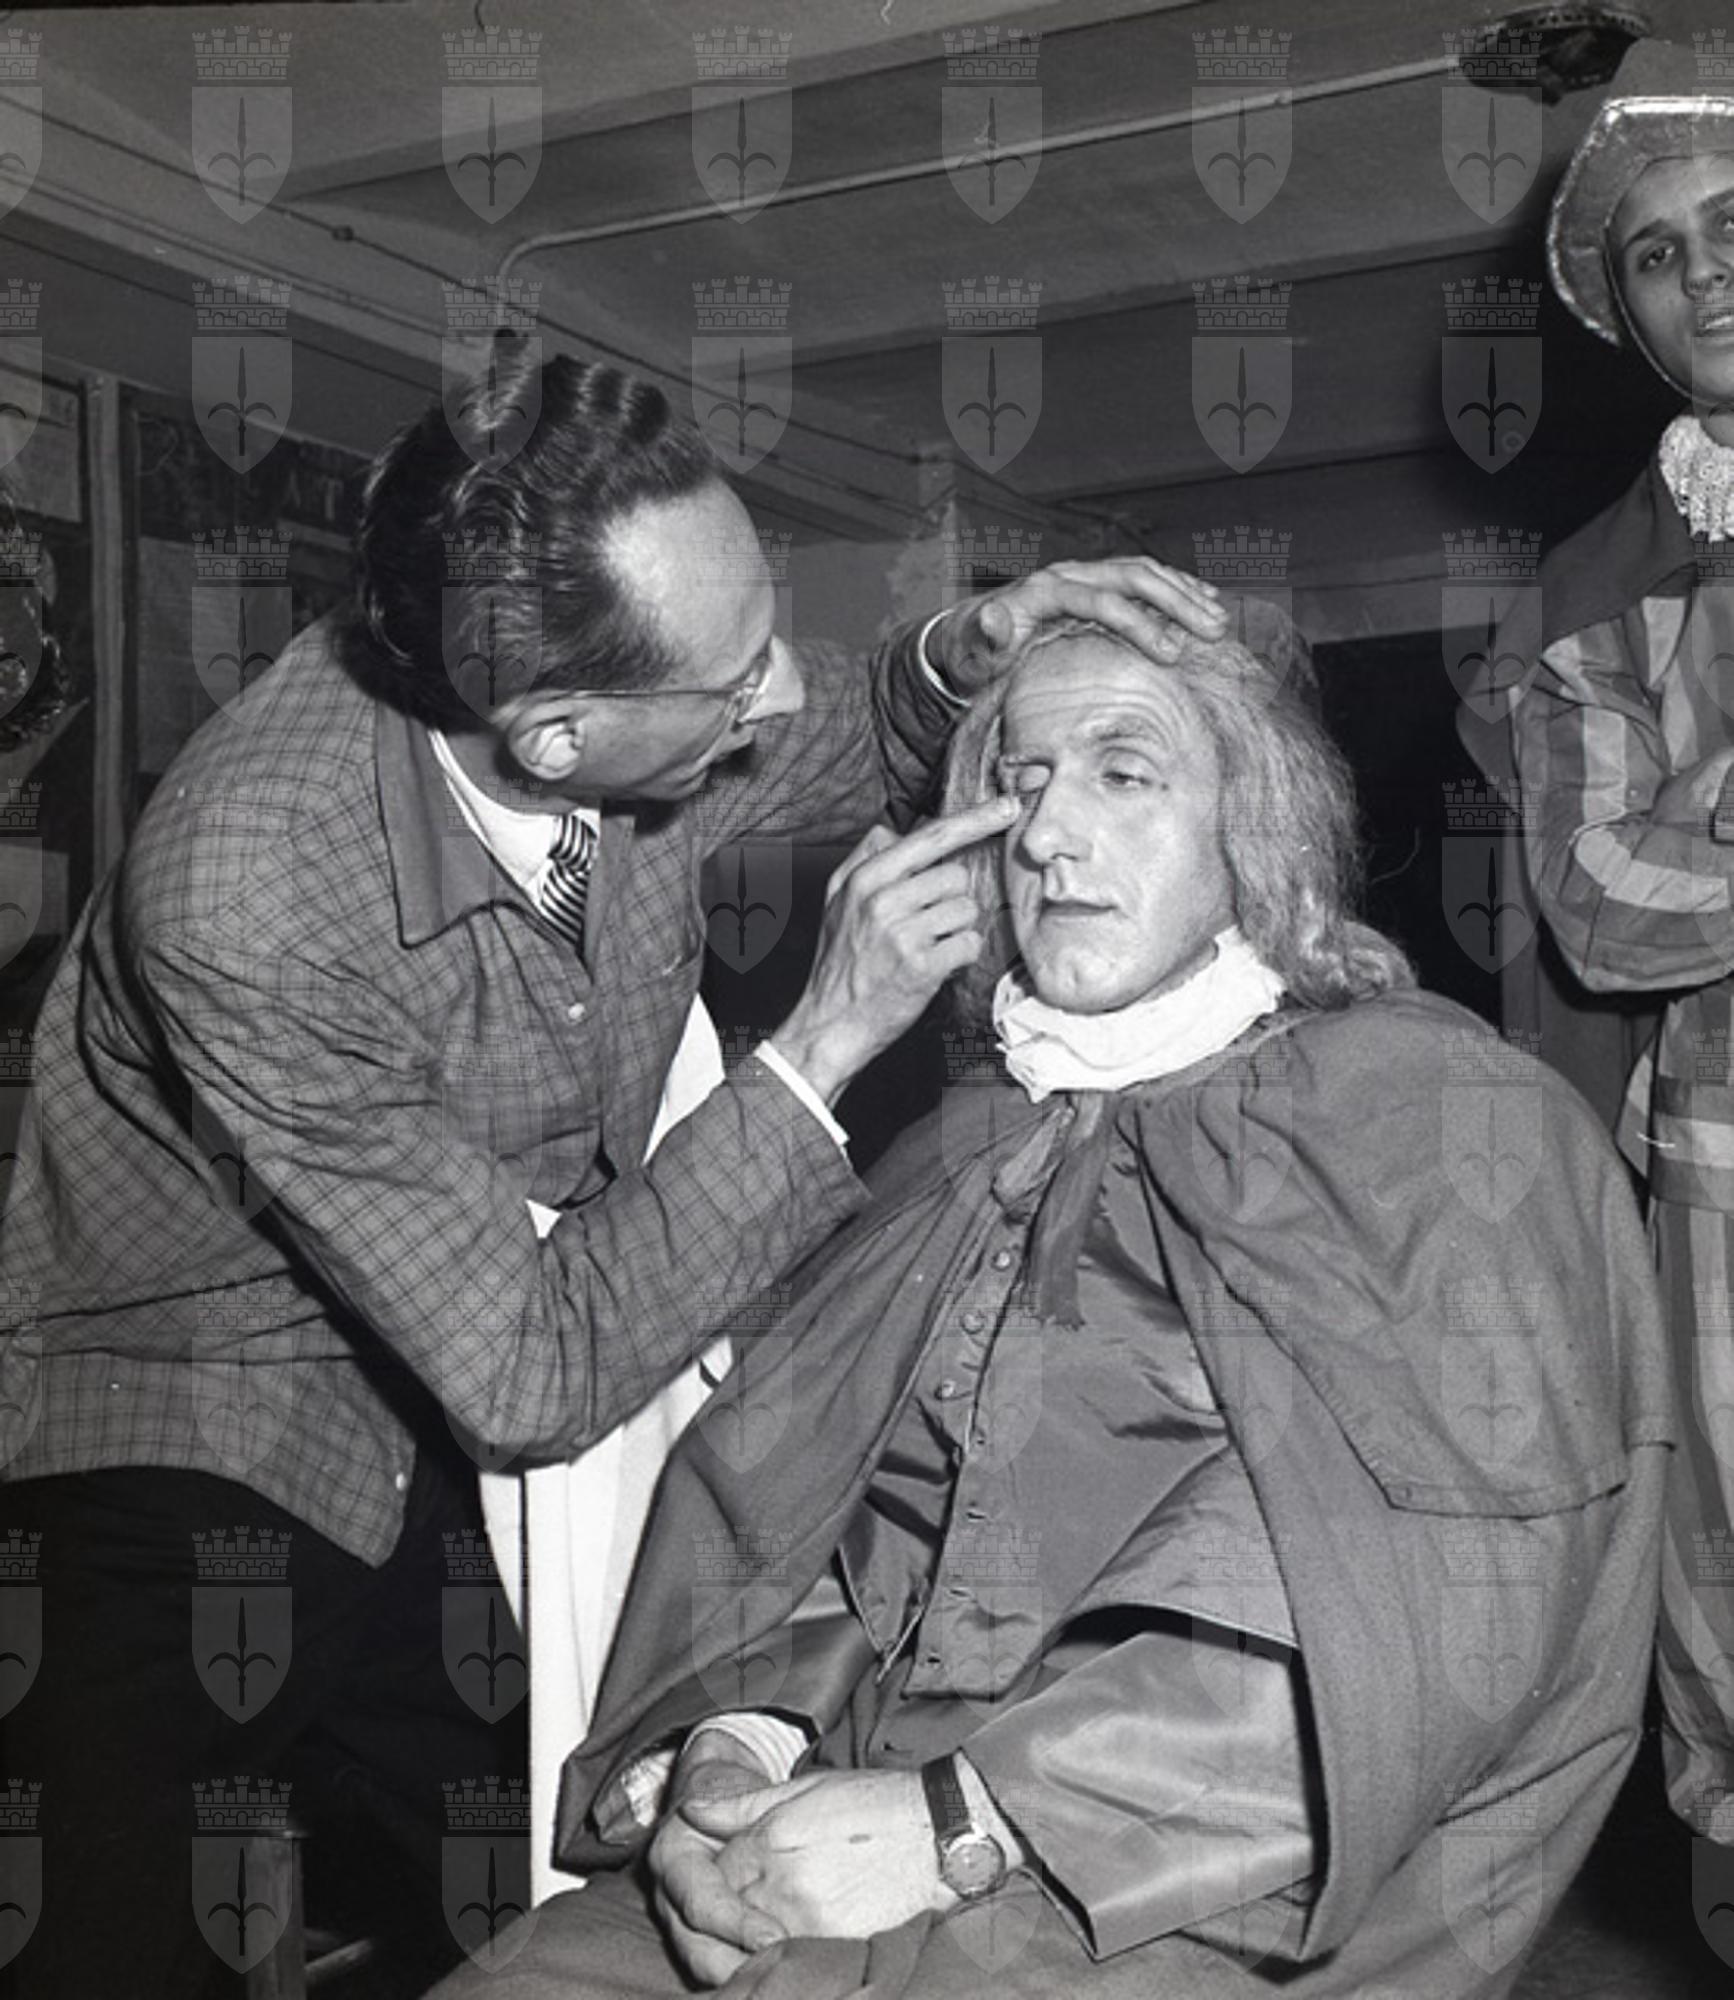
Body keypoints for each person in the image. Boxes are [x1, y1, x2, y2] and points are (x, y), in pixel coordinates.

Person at [0, 345, 1228, 1996]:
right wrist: (821, 1044)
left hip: (441, 1392)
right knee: (105, 1931)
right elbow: (528, 1371)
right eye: (731, 689)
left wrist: (963, 649)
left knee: (570, 1865)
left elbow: (846, 720)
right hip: (183, 1400)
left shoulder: (596, 689)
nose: (775, 697)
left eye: (762, 635)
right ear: (555, 739)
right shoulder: (249, 886)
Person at [429, 616, 1672, 2000]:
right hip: (850, 1804)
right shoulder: (963, 1151)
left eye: (1123, 775)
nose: (1046, 836)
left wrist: (964, 1822)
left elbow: (1428, 1604)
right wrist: (735, 1750)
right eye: (1018, 784)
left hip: (1194, 1880)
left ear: (1254, 823)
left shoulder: (1445, 1116)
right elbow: (838, 1531)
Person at [1459, 36, 1734, 1840]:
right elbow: (1602, 909)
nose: (1702, 273)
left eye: (1732, 223)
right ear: (1626, 319)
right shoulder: (1587, 593)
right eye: (1654, 254)